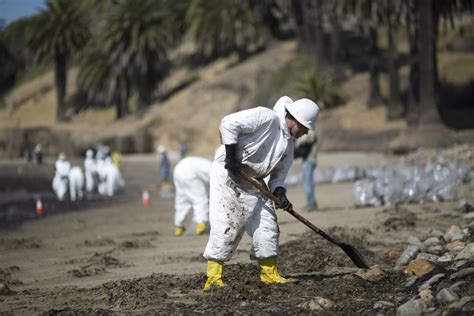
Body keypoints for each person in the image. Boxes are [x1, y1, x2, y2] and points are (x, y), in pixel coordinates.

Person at [202, 96, 320, 291]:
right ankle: (213, 278)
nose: (305, 133)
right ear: (296, 119)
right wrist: (231, 158)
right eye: (305, 128)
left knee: (267, 225)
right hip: (228, 175)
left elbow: (278, 177)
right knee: (227, 224)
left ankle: (269, 274)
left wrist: (280, 193)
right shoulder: (267, 118)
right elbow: (228, 124)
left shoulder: (289, 145)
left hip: (254, 181)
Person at [173, 156, 212, 237]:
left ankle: (179, 226)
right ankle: (201, 225)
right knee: (200, 199)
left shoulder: (209, 164)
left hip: (178, 169)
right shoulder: (216, 171)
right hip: (190, 173)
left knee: (181, 199)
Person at [294, 129, 319, 211]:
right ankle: (311, 202)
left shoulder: (310, 133)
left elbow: (306, 140)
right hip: (307, 160)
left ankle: (311, 203)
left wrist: (296, 142)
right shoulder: (309, 132)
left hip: (309, 160)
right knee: (307, 183)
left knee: (308, 183)